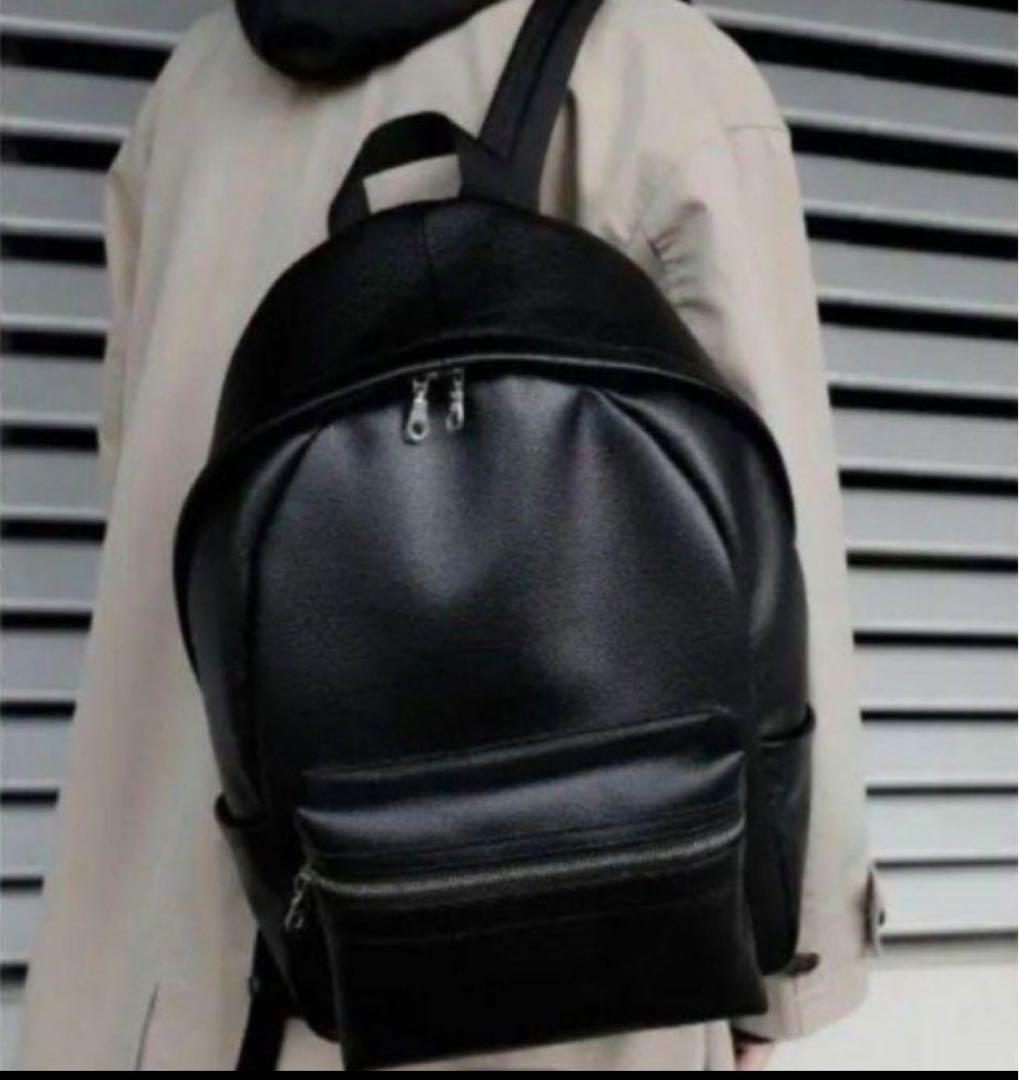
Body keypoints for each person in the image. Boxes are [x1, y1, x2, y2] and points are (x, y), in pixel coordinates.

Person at [17, 0, 879, 1069]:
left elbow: (146, 518)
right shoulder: (659, 73)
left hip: (145, 977)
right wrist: (783, 977)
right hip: (541, 980)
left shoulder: (191, 91)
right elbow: (778, 576)